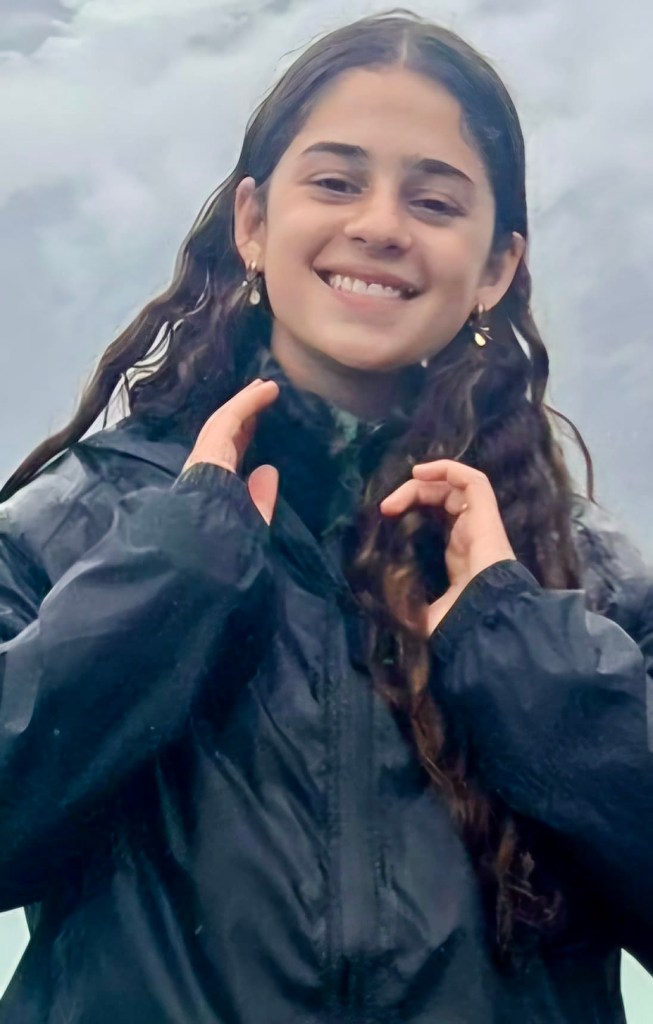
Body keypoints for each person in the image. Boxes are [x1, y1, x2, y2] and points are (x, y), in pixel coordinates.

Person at [0, 8, 650, 1022]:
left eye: (433, 199)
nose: (380, 224)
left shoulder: (583, 584)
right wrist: (173, 579)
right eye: (337, 182)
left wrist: (520, 652)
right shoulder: (74, 528)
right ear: (253, 224)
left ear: (494, 268)